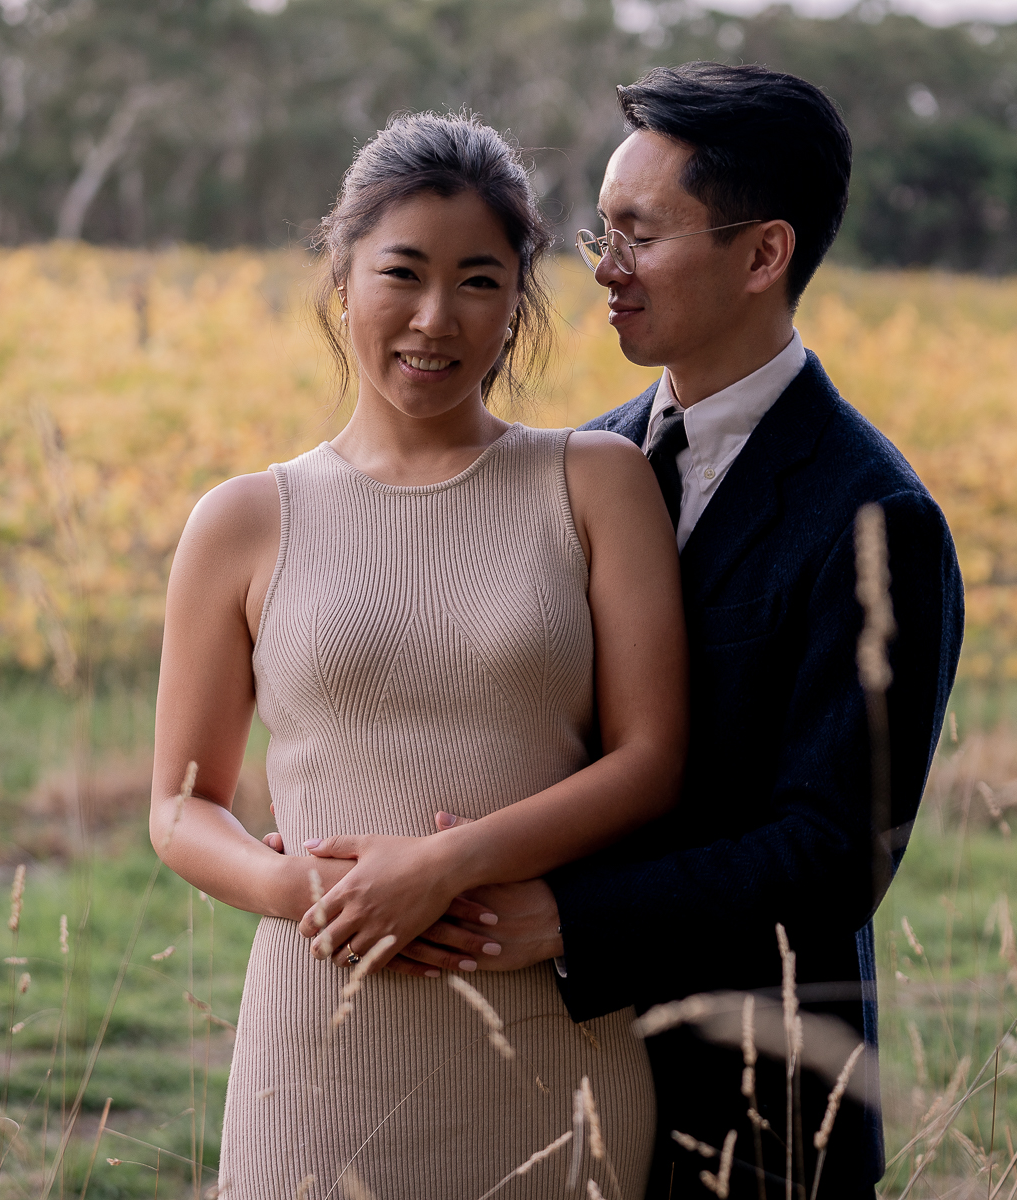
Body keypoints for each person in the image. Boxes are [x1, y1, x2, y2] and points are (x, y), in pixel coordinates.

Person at [407, 64, 966, 1197]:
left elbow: (829, 854)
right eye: (598, 230)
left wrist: (568, 918)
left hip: (748, 1103)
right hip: (531, 1070)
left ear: (764, 255)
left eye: (638, 234)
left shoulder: (874, 516)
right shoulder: (584, 459)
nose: (599, 269)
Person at [148, 113, 687, 1196]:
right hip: (320, 1039)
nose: (436, 319)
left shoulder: (597, 482)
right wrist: (291, 886)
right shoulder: (243, 520)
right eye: (403, 273)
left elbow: (650, 761)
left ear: (518, 304)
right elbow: (180, 805)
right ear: (341, 277)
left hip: (548, 1033)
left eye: (479, 281)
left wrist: (445, 865)